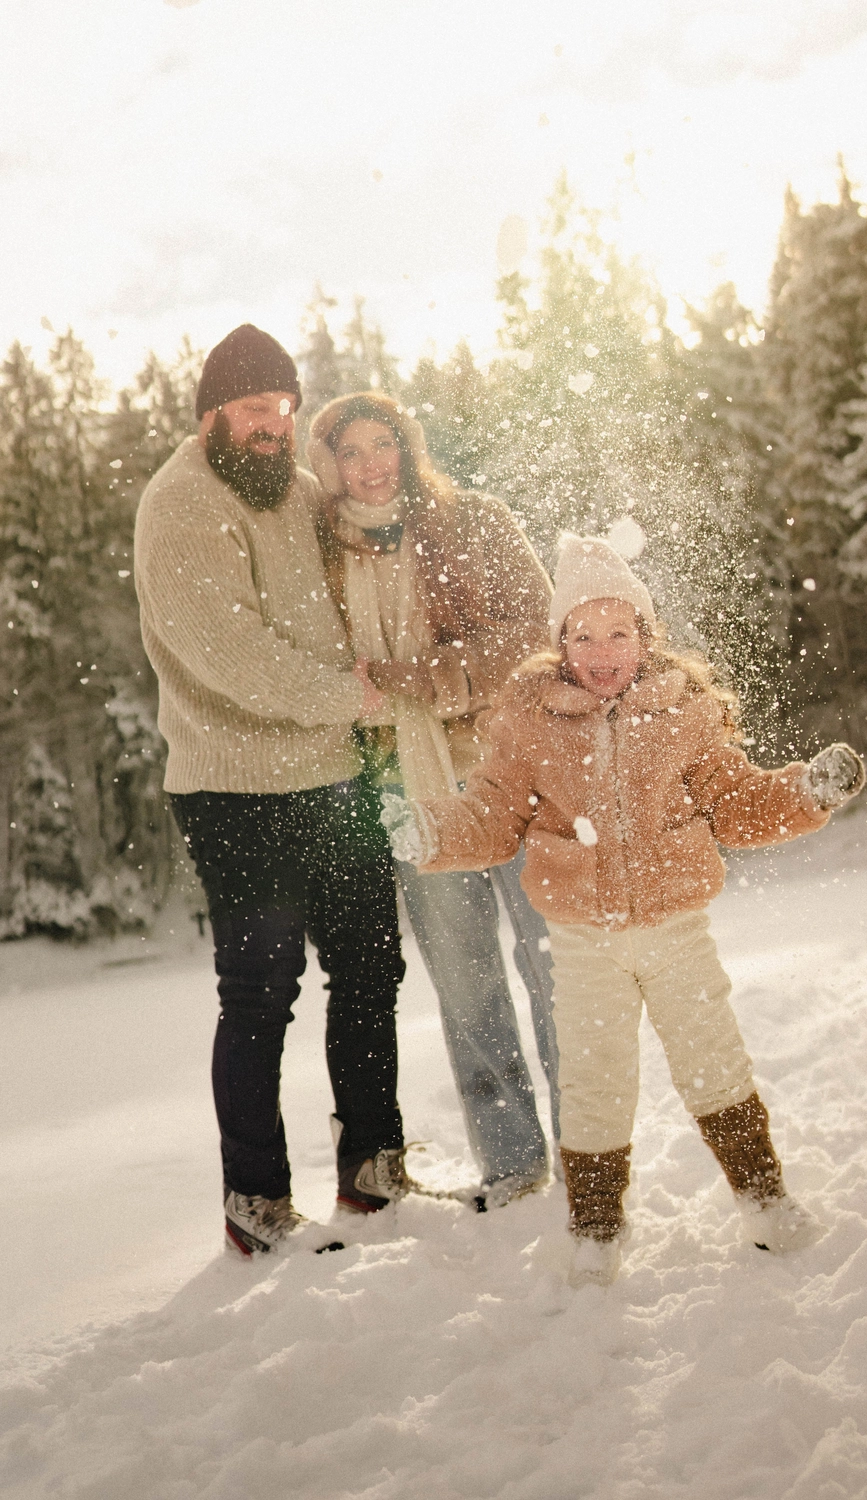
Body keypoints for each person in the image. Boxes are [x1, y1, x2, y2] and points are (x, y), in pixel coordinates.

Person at [383, 533, 865, 1285]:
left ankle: (765, 1200)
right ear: (558, 642)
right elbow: (493, 815)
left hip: (676, 927)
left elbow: (738, 805)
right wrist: (430, 830)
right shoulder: (530, 722)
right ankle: (595, 1229)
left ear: (646, 635)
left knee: (713, 1059)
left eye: (618, 633)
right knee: (595, 1076)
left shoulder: (685, 713)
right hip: (581, 938)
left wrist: (806, 794)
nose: (601, 652)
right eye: (582, 635)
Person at [134, 325, 407, 1256]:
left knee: (371, 970)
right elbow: (231, 657)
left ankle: (373, 1169)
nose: (274, 427)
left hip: (336, 775)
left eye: (286, 411)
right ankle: (256, 1201)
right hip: (236, 790)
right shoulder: (179, 505)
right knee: (260, 993)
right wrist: (350, 697)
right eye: (255, 410)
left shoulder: (294, 493)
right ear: (212, 414)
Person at [306, 392, 559, 1208]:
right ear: (331, 465)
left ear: (408, 448)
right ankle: (514, 1164)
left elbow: (533, 635)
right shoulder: (325, 558)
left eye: (385, 444)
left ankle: (591, 1142)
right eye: (353, 452)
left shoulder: (475, 521)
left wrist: (424, 682)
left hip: (511, 777)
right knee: (467, 986)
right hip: (409, 797)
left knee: (556, 967)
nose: (373, 464)